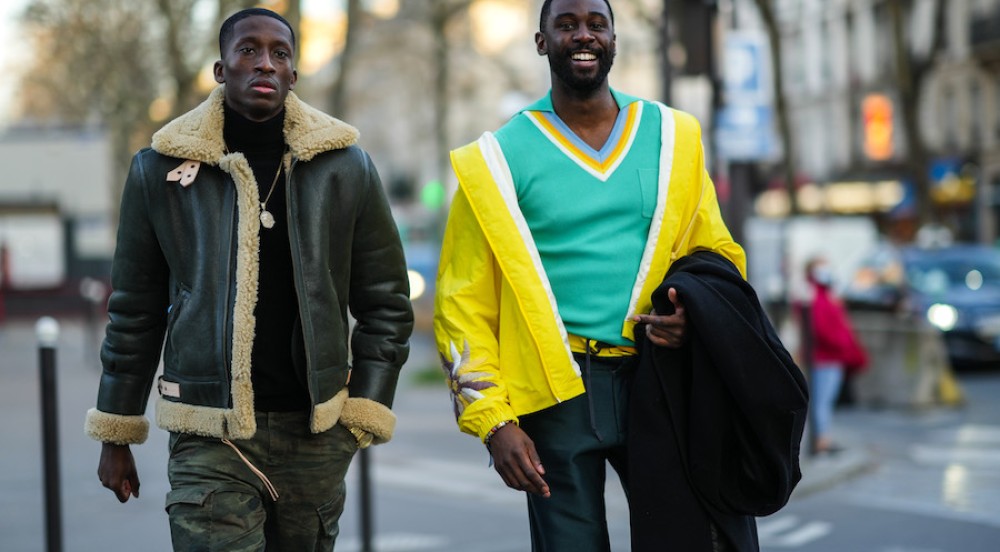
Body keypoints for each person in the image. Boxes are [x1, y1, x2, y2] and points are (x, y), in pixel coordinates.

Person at [84, 8, 413, 550]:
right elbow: (134, 310)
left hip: (315, 433)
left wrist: (361, 413)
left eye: (280, 54)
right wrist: (117, 430)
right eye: (248, 51)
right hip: (209, 435)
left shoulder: (346, 167)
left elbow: (386, 301)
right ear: (220, 69)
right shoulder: (159, 170)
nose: (265, 63)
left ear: (293, 76)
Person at [434, 0, 747, 549]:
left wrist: (691, 318)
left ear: (614, 39)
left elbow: (714, 253)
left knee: (690, 537)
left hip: (657, 379)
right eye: (567, 25)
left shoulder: (673, 136)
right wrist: (493, 421)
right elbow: (463, 303)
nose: (584, 36)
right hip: (554, 394)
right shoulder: (496, 159)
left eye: (596, 25)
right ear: (541, 42)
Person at [804, 255, 867, 454]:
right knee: (822, 401)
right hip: (826, 357)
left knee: (824, 401)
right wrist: (841, 344)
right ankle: (821, 441)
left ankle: (823, 439)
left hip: (830, 357)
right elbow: (823, 329)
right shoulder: (817, 297)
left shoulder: (825, 295)